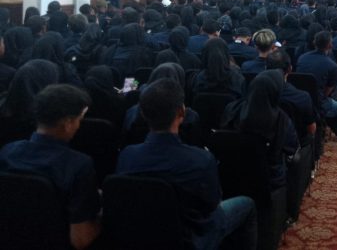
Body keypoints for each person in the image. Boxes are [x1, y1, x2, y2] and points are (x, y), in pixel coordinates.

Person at [117, 78, 257, 249]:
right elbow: (212, 205)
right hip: (191, 240)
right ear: (181, 112)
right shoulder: (201, 160)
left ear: (144, 114)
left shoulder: (127, 156)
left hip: (143, 235)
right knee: (247, 204)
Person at [0, 84, 101, 249]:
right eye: (79, 120)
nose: (79, 125)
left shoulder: (7, 152)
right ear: (68, 123)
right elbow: (81, 240)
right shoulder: (79, 165)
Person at [220, 70, 299, 189]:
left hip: (232, 176)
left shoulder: (232, 109)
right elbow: (292, 149)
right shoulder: (282, 120)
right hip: (270, 182)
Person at [296, 31, 337, 142]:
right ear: (330, 45)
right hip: (318, 101)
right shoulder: (332, 66)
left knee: (331, 105)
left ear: (315, 43)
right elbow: (327, 91)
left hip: (299, 98)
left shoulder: (302, 58)